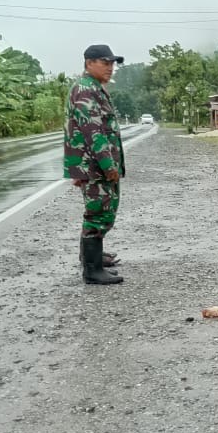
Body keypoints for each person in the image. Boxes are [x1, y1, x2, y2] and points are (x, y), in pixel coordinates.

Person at [64, 44, 126, 285]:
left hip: (90, 164)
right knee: (99, 213)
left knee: (101, 212)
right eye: (105, 62)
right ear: (89, 63)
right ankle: (91, 269)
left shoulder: (92, 88)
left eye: (112, 63)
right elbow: (93, 131)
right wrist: (109, 165)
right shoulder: (86, 90)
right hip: (95, 165)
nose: (110, 68)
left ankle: (94, 259)